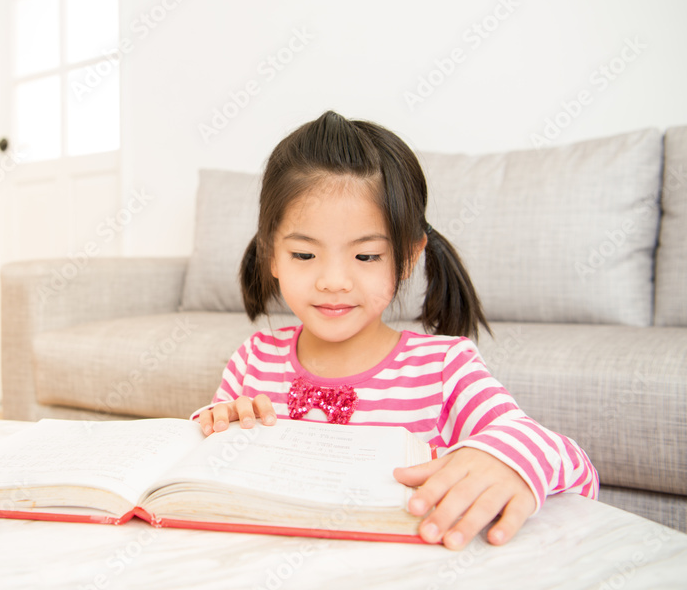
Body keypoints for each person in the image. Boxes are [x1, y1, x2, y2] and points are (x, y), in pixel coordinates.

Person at [192, 110, 598, 549]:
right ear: (271, 254)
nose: (334, 281)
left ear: (406, 258)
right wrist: (211, 427)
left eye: (366, 257)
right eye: (304, 256)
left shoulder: (445, 368)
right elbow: (201, 469)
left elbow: (580, 475)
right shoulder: (253, 359)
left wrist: (509, 462)